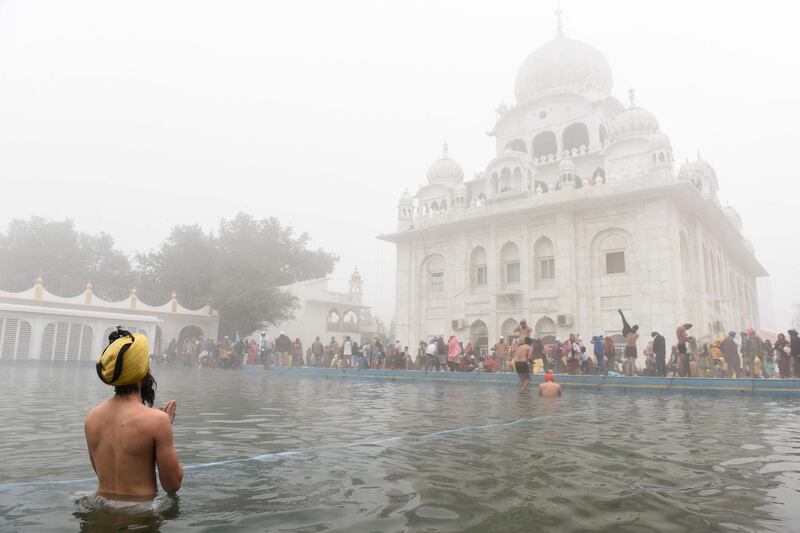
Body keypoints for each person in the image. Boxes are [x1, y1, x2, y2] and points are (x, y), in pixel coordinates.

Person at [85, 328, 183, 499]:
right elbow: (172, 485)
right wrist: (164, 431)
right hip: (139, 516)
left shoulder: (92, 417)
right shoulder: (157, 421)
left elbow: (101, 473)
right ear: (142, 370)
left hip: (100, 511)